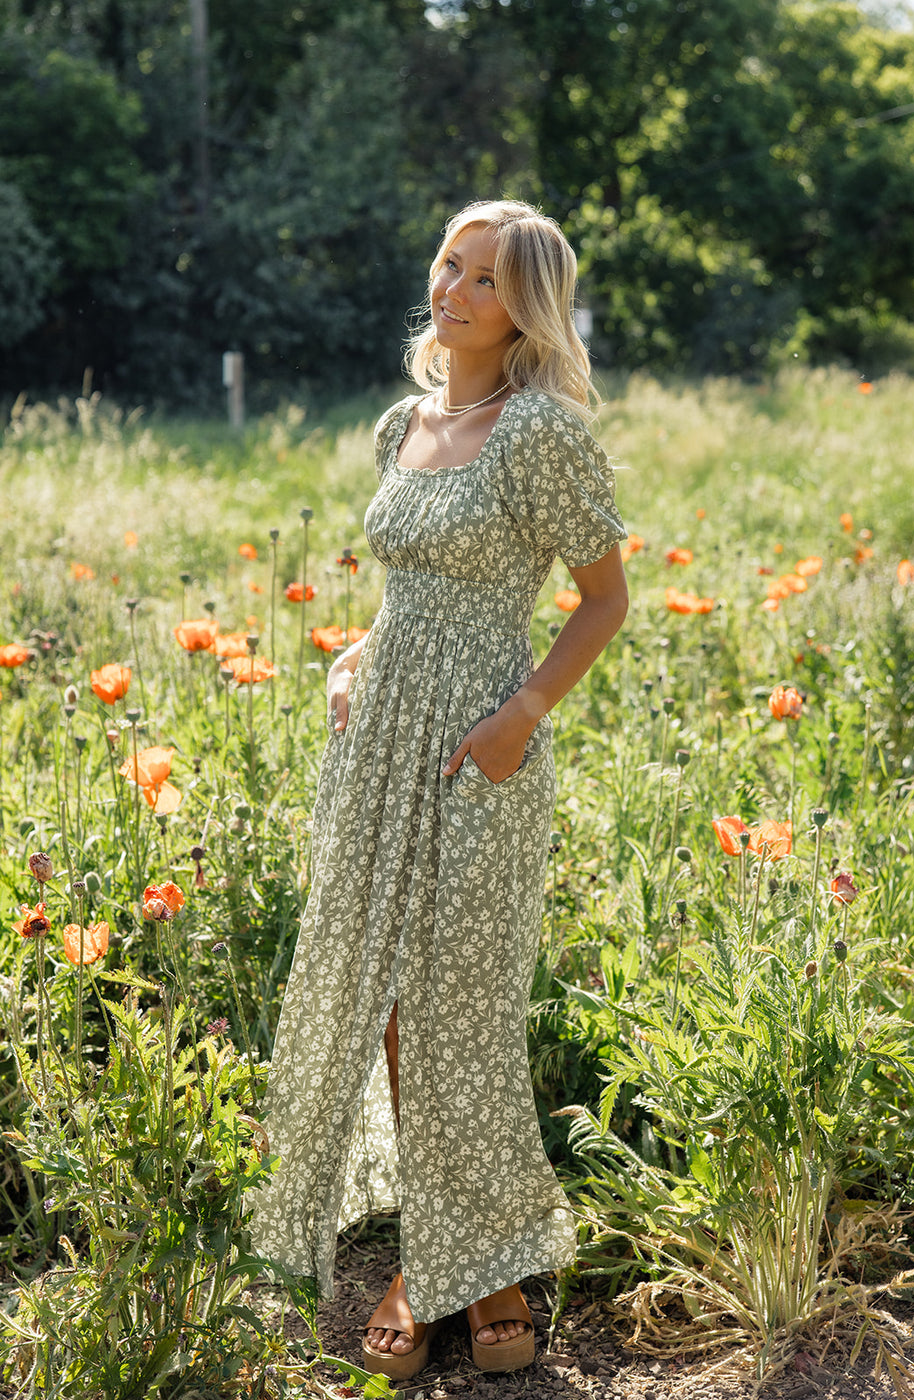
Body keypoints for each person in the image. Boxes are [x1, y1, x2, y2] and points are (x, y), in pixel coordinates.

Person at [249, 198, 629, 1381]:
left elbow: (603, 599)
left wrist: (518, 718)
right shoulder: (398, 424)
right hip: (379, 747)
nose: (451, 289)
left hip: (481, 746)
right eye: (446, 266)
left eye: (481, 277)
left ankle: (488, 1271)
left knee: (461, 1004)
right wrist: (363, 650)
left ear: (526, 306)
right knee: (395, 1010)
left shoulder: (542, 432)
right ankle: (436, 1255)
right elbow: (409, 581)